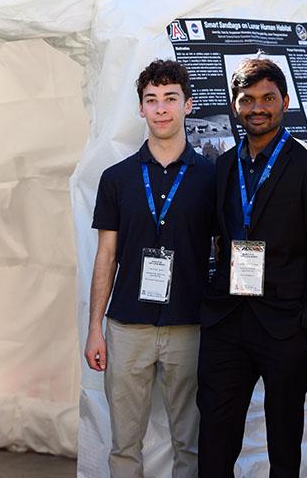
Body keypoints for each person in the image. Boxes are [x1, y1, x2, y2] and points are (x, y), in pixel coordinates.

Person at [197, 57, 307, 477]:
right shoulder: (224, 165)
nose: (257, 107)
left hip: (284, 326)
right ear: (235, 104)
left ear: (285, 101)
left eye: (267, 98)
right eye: (248, 99)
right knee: (215, 436)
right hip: (227, 322)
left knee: (283, 440)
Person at [84, 59, 215, 477]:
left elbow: (224, 252)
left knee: (190, 446)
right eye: (151, 100)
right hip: (127, 328)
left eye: (170, 99)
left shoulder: (212, 178)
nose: (161, 109)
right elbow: (106, 256)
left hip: (190, 327)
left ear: (188, 105)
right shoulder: (117, 178)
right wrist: (94, 328)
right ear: (140, 108)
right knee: (124, 446)